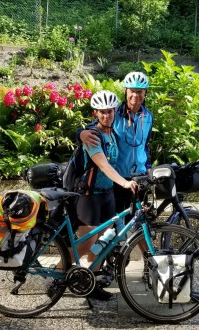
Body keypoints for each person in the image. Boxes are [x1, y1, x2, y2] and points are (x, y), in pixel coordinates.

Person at [75, 90, 138, 300]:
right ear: (95, 113)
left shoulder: (113, 133)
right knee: (85, 243)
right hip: (89, 196)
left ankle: (90, 283)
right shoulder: (92, 135)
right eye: (102, 112)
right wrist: (124, 182)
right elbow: (102, 165)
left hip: (107, 195)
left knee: (103, 243)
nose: (106, 116)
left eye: (109, 112)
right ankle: (58, 276)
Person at [78, 71, 153, 214]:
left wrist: (148, 169)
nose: (135, 96)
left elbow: (146, 145)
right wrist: (80, 134)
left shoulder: (148, 116)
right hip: (119, 177)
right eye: (132, 91)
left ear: (145, 92)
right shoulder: (114, 113)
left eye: (140, 91)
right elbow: (96, 127)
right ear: (125, 91)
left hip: (140, 177)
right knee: (118, 224)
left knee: (139, 224)